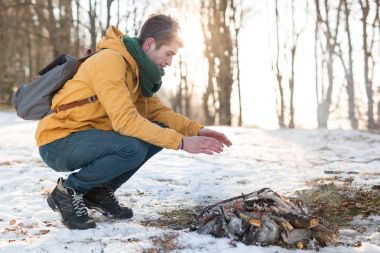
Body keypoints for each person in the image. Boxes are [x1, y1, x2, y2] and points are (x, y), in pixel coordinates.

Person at [36, 14, 232, 230]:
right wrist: (182, 142)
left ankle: (98, 192)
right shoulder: (110, 61)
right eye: (168, 54)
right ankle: (68, 191)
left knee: (159, 129)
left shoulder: (135, 71)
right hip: (58, 141)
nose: (169, 62)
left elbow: (159, 112)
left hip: (86, 137)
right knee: (132, 147)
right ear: (150, 44)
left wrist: (197, 130)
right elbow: (125, 121)